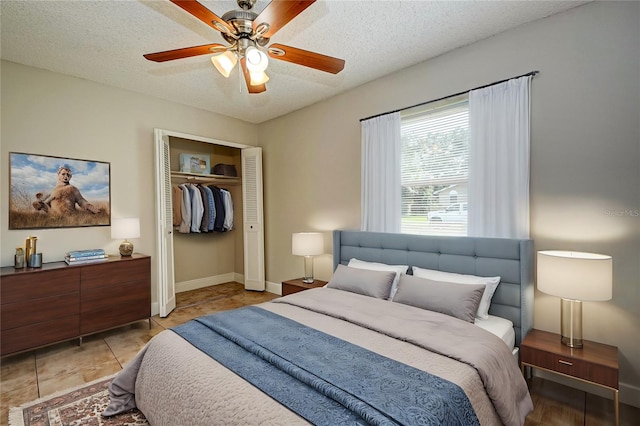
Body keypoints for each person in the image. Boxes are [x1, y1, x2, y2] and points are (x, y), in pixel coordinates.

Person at [32, 165, 100, 215]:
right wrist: (40, 204)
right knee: (43, 203)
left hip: (70, 216)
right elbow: (47, 201)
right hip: (54, 215)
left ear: (70, 177)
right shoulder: (54, 190)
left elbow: (81, 201)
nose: (66, 176)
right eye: (63, 174)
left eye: (68, 175)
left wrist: (91, 207)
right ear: (58, 175)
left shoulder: (73, 188)